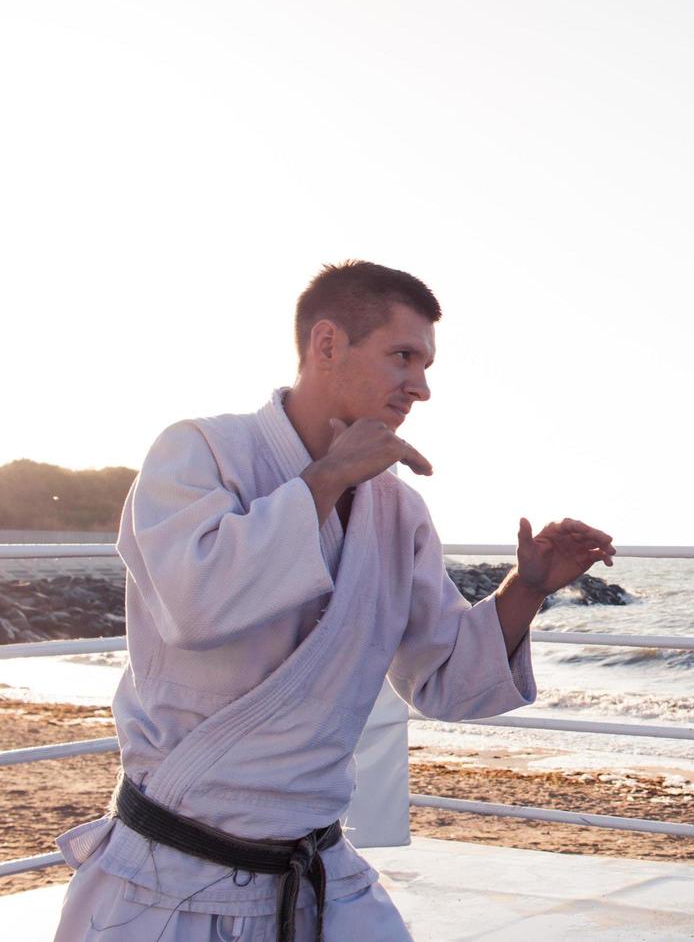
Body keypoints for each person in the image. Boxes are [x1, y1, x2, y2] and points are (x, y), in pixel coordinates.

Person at [53, 261, 615, 941]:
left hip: (320, 875)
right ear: (326, 345)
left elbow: (442, 682)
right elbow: (192, 606)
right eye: (403, 356)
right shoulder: (200, 453)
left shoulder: (397, 510)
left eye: (427, 364)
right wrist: (327, 478)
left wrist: (525, 588)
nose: (422, 386)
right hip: (171, 883)